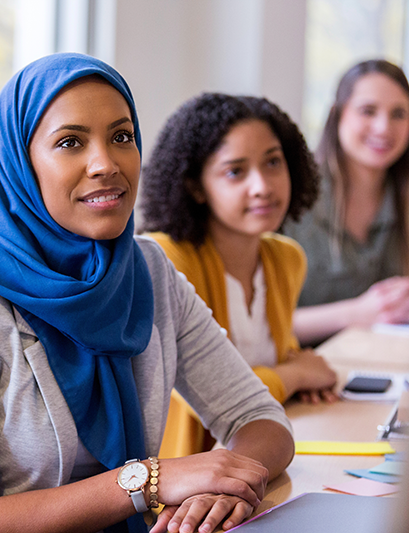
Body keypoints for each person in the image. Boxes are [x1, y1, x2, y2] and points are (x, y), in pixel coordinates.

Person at [0, 53, 294, 533]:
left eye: (121, 137)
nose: (105, 164)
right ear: (21, 165)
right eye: (70, 143)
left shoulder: (148, 270)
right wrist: (147, 481)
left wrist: (222, 485)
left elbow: (258, 417)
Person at [139, 93, 338, 459]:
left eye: (273, 162)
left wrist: (292, 375)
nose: (262, 185)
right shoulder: (164, 258)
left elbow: (278, 362)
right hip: (178, 488)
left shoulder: (286, 259)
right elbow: (202, 400)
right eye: (235, 171)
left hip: (257, 462)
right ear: (196, 186)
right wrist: (293, 377)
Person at [284, 59, 409, 346]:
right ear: (337, 115)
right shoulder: (291, 191)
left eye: (398, 114)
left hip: (383, 365)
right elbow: (253, 330)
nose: (383, 128)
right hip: (301, 371)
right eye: (368, 111)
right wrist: (357, 313)